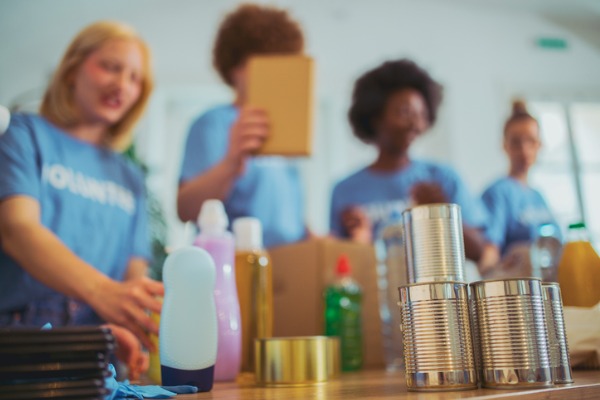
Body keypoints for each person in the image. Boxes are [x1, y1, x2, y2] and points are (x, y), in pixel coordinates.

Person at [0, 20, 163, 372]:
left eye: (135, 78)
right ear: (73, 70)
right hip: (20, 343)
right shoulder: (23, 135)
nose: (122, 84)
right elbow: (16, 229)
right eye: (110, 67)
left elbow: (134, 273)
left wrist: (131, 328)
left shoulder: (130, 175)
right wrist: (102, 291)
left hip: (98, 350)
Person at [329, 59, 487, 262]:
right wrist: (356, 239)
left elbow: (478, 252)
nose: (415, 123)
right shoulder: (345, 189)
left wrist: (441, 211)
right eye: (404, 112)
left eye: (421, 115)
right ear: (375, 116)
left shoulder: (442, 178)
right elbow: (338, 266)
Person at [177, 3, 307, 248]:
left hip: (287, 268)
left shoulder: (287, 130)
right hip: (233, 261)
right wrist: (231, 163)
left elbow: (289, 220)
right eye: (266, 65)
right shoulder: (212, 124)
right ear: (236, 68)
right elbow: (185, 209)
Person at [478, 100, 561, 276]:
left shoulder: (539, 196)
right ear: (505, 146)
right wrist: (491, 269)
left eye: (530, 141)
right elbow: (488, 253)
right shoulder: (497, 193)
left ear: (539, 145)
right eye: (516, 142)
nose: (524, 150)